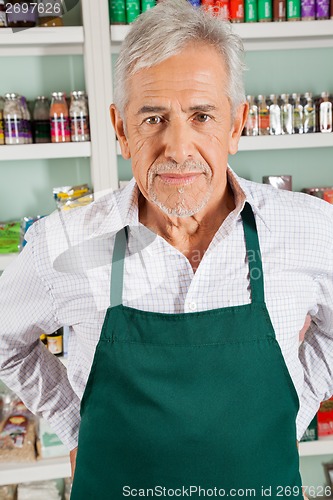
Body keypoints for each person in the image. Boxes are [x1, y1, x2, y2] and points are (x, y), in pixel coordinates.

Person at [0, 0, 332, 497]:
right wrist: (76, 424)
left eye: (202, 116)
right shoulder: (62, 243)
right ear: (120, 131)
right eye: (153, 118)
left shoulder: (311, 230)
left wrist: (296, 406)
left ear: (237, 126)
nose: (178, 147)